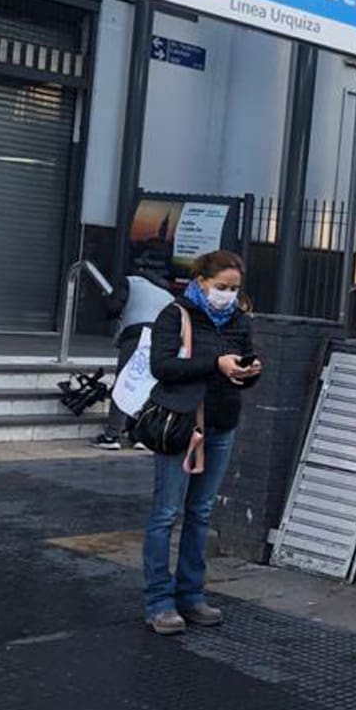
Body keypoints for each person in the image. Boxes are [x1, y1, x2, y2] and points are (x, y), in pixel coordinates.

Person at [143, 251, 262, 635]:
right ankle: (159, 601)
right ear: (201, 281)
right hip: (180, 424)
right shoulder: (175, 314)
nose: (228, 295)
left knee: (201, 512)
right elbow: (162, 367)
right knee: (165, 513)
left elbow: (239, 366)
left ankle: (191, 594)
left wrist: (249, 370)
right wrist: (216, 365)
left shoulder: (238, 320)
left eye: (234, 288)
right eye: (221, 287)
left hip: (221, 422)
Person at [93, 269, 174, 450]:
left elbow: (113, 307)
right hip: (161, 339)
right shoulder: (168, 294)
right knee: (145, 386)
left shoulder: (130, 281)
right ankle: (139, 436)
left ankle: (111, 435)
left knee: (125, 383)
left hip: (137, 335)